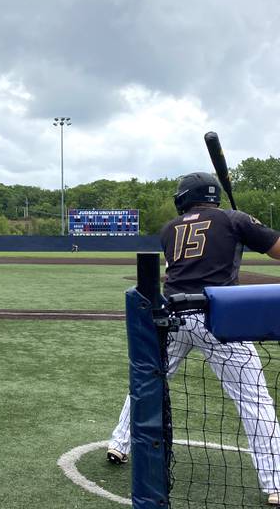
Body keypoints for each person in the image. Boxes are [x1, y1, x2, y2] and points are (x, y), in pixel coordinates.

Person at [106, 172, 280, 506]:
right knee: (254, 400)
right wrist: (248, 229)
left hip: (171, 317)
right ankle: (275, 483)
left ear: (184, 198)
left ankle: (119, 443)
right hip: (220, 319)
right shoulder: (234, 219)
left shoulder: (170, 228)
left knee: (146, 384)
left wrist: (241, 230)